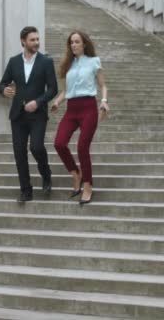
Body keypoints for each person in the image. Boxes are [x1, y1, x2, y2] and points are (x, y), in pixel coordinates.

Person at [0, 26, 59, 203]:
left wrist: (38, 102)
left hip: (38, 114)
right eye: (33, 40)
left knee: (36, 147)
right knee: (19, 153)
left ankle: (46, 174)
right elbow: (2, 83)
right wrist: (4, 90)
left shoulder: (46, 62)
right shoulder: (14, 61)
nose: (36, 43)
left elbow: (53, 89)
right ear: (23, 41)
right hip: (17, 115)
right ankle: (26, 190)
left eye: (37, 39)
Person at [51, 30, 110, 205]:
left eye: (77, 42)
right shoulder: (69, 65)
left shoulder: (94, 62)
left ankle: (87, 185)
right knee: (59, 143)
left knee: (82, 147)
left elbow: (103, 86)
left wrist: (104, 101)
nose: (74, 45)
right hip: (71, 109)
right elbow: (66, 90)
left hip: (88, 108)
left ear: (84, 44)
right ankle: (75, 173)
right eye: (71, 42)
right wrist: (57, 102)